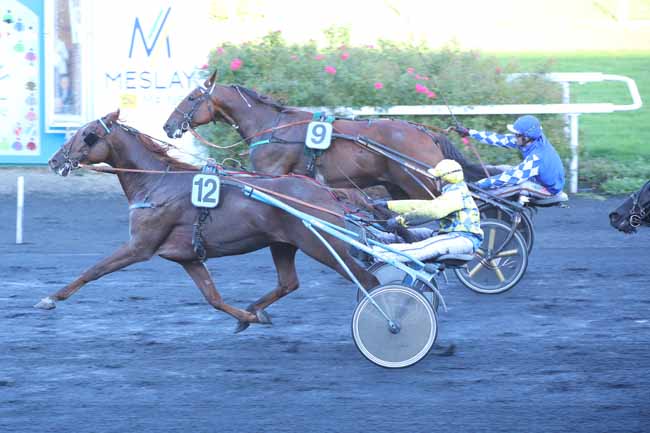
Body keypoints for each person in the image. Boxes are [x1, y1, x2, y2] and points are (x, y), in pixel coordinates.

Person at [370, 159, 483, 263]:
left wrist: (400, 220)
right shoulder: (454, 192)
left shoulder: (455, 194)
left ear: (442, 179)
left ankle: (373, 254)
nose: (434, 181)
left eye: (436, 179)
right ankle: (373, 242)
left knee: (418, 249)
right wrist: (389, 205)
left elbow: (432, 212)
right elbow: (423, 205)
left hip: (462, 239)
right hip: (451, 235)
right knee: (415, 234)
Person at [449, 115, 565, 196]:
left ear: (526, 137)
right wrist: (469, 132)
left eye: (517, 134)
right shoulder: (530, 140)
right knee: (502, 168)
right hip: (536, 177)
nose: (514, 136)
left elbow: (512, 177)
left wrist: (478, 185)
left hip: (549, 189)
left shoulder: (538, 157)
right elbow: (500, 139)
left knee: (508, 187)